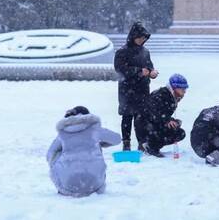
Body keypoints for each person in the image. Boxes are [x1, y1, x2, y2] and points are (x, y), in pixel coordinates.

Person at [46, 106, 121, 197]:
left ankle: (66, 176)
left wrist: (58, 163)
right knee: (94, 153)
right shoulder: (95, 130)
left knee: (59, 152)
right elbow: (117, 139)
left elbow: (50, 154)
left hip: (67, 186)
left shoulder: (63, 133)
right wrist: (99, 143)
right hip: (95, 185)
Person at [114, 22, 159, 152]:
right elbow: (120, 68)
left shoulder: (145, 52)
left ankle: (142, 142)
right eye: (140, 37)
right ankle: (126, 143)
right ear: (133, 36)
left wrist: (152, 73)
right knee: (127, 117)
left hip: (143, 89)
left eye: (144, 38)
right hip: (127, 90)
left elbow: (149, 66)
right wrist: (138, 71)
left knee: (141, 118)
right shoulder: (122, 51)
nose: (142, 40)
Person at [135, 74, 189, 158]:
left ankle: (151, 145)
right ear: (175, 87)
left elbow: (162, 113)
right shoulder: (161, 95)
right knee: (175, 132)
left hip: (152, 123)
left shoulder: (171, 96)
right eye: (182, 88)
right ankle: (149, 145)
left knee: (179, 132)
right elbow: (153, 112)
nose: (184, 91)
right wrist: (167, 120)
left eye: (185, 88)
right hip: (145, 126)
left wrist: (173, 121)